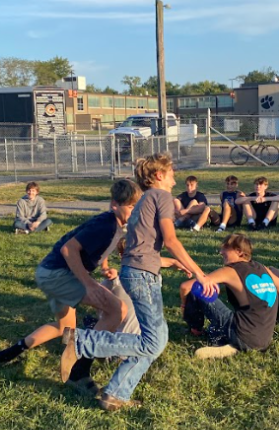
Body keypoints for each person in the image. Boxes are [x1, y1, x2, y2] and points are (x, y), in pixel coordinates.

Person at [60, 153, 218, 411]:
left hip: (137, 272)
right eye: (171, 173)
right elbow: (170, 240)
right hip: (142, 275)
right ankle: (82, 341)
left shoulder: (144, 200)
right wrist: (200, 273)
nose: (174, 178)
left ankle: (115, 394)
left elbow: (139, 243)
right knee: (152, 341)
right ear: (158, 176)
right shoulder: (162, 197)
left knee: (159, 338)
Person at [0, 179, 143, 396]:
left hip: (49, 272)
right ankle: (80, 371)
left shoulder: (116, 226)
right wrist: (89, 284)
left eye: (136, 206)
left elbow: (101, 248)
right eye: (130, 206)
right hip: (58, 274)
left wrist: (104, 266)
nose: (134, 211)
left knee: (64, 328)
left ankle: (11, 352)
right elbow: (68, 250)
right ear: (114, 204)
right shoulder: (106, 225)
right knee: (116, 309)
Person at [179, 233, 279, 359]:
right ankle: (232, 345)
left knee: (198, 289)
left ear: (239, 251)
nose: (221, 252)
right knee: (220, 324)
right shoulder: (262, 268)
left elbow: (185, 286)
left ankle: (197, 330)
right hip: (264, 340)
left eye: (225, 248)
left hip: (243, 334)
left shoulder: (230, 271)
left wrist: (184, 305)